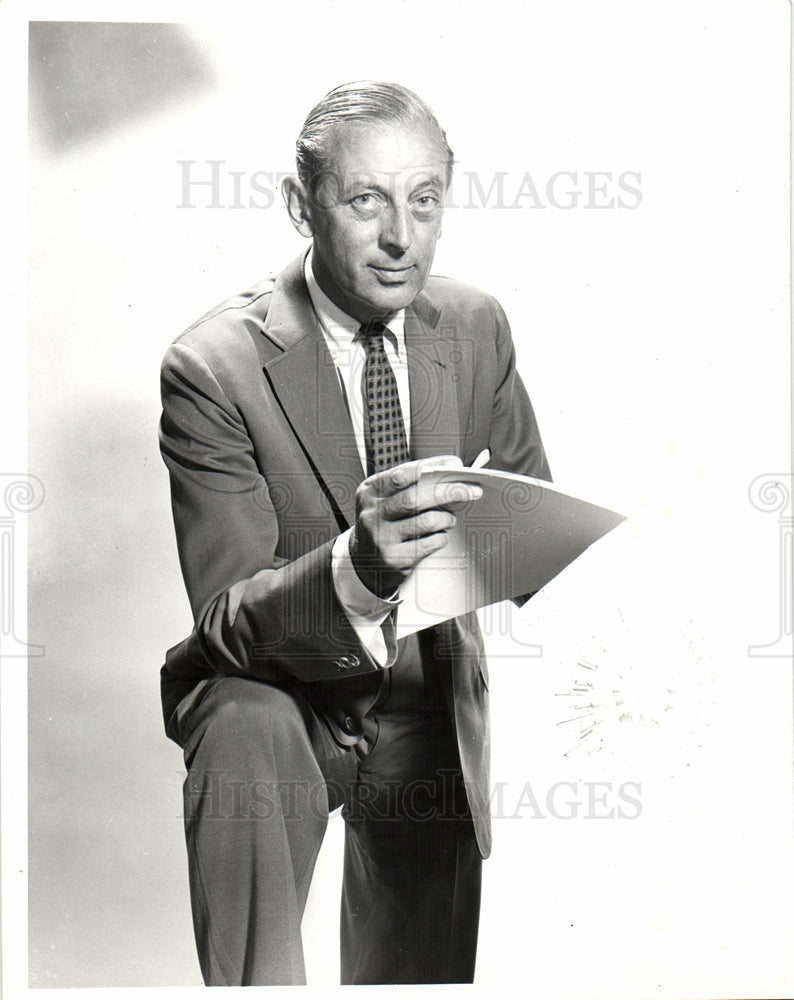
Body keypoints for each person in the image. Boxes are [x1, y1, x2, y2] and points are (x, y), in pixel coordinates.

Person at [158, 80, 551, 986]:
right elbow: (223, 618)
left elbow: (528, 497)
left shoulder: (477, 324)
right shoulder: (211, 365)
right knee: (242, 720)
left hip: (424, 690)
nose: (400, 238)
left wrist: (518, 543)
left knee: (416, 975)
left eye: (424, 202)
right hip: (282, 696)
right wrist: (358, 566)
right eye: (366, 200)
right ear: (302, 205)